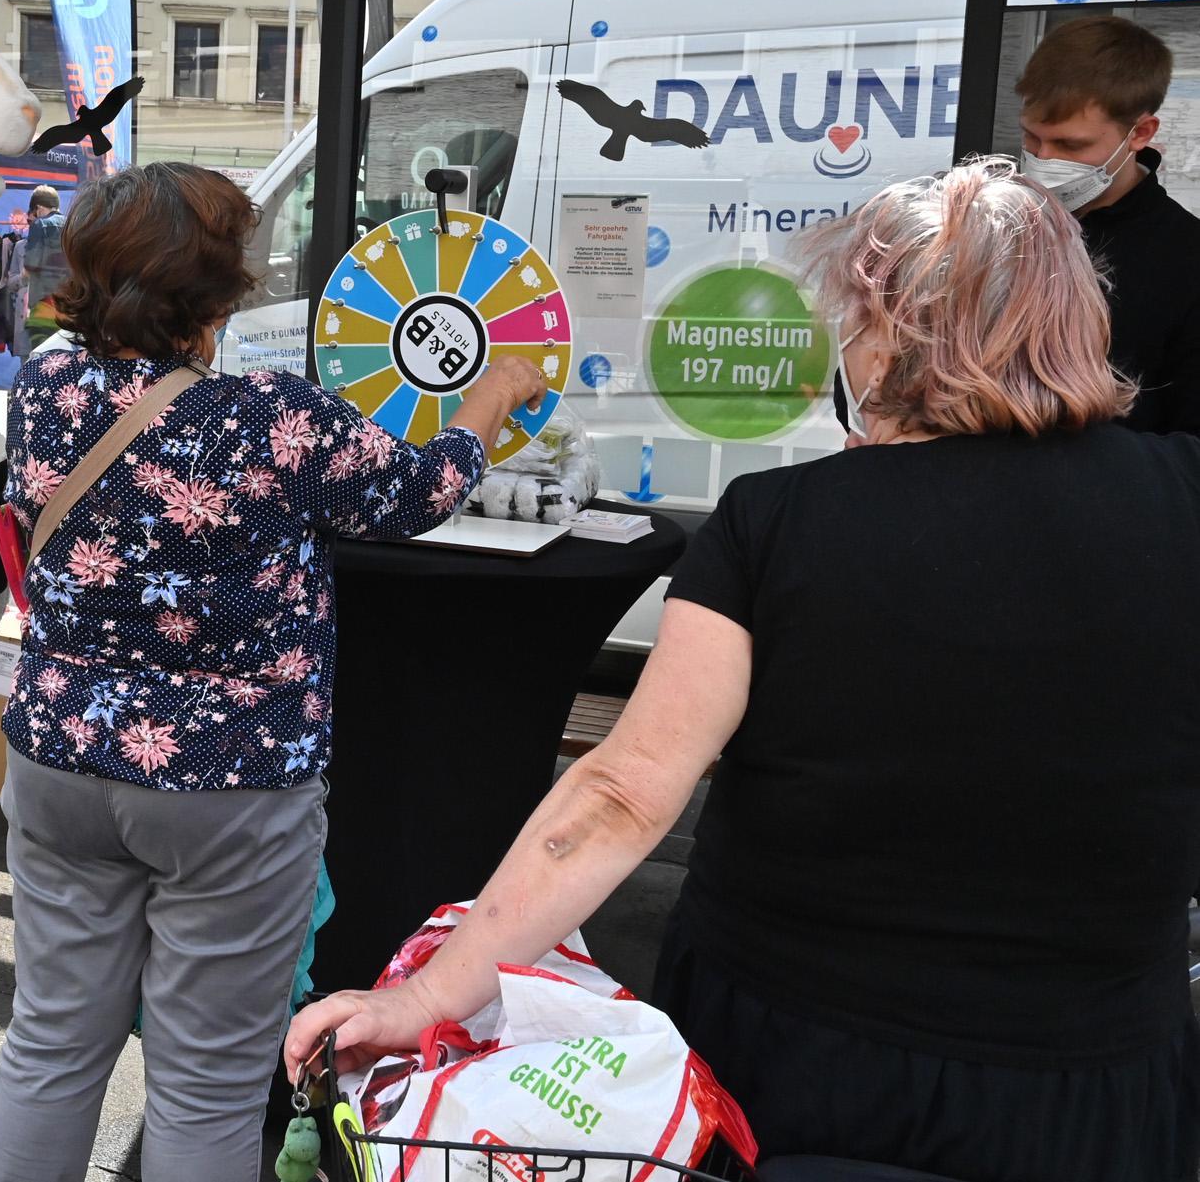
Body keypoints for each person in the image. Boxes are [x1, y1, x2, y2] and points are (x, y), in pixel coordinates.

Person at [288, 157, 1200, 1182]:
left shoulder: (777, 525)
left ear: (887, 331)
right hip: (1092, 1076)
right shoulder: (1181, 499)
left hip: (790, 1065)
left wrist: (420, 997)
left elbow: (623, 795)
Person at [0, 162, 548, 1182]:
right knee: (206, 1085)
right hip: (229, 790)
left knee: (50, 1045)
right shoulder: (274, 418)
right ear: (220, 292)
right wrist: (490, 397)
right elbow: (418, 491)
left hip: (59, 760)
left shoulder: (45, 389)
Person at [1017, 14, 1200, 435]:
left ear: (1140, 133)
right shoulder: (986, 220)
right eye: (1030, 137)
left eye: (1070, 144)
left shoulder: (1187, 261)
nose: (1042, 160)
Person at [20, 183, 66, 340]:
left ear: (38, 208)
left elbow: (29, 268)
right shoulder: (74, 224)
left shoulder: (40, 225)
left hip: (44, 308)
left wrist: (22, 278)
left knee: (43, 360)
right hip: (71, 309)